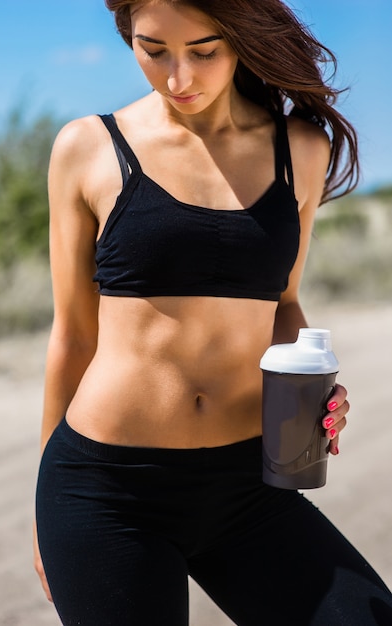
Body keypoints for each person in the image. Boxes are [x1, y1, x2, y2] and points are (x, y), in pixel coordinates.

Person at [34, 1, 392, 624]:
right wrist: (44, 505)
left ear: (241, 37)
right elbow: (73, 334)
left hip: (251, 485)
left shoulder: (300, 148)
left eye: (204, 51)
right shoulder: (87, 148)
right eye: (154, 51)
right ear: (130, 39)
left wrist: (313, 381)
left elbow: (282, 301)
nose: (179, 78)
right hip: (107, 491)